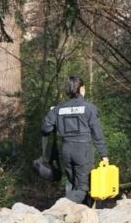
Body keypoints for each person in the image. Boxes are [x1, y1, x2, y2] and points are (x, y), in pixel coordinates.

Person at [41, 76, 108, 204]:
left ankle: (80, 213)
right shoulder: (89, 108)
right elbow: (97, 134)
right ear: (81, 89)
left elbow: (45, 128)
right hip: (83, 152)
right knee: (83, 188)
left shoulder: (59, 109)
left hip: (66, 151)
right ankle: (61, 207)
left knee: (76, 186)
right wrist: (104, 155)